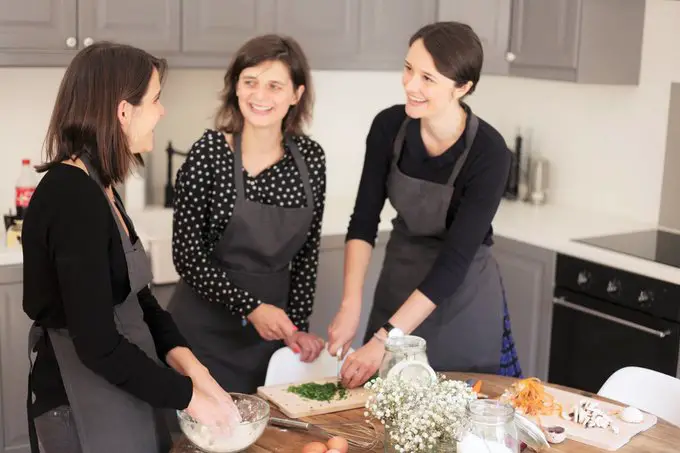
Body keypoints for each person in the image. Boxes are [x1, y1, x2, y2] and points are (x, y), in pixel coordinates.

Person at [22, 42, 241, 453]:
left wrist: (197, 375)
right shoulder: (72, 198)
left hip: (123, 387)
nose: (161, 111)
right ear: (123, 111)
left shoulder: (100, 185)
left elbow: (142, 302)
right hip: (80, 402)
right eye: (155, 100)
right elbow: (98, 344)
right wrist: (191, 399)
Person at [327, 22, 523, 389]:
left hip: (463, 296)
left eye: (428, 78)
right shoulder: (388, 127)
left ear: (462, 87)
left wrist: (384, 339)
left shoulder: (490, 153)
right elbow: (364, 220)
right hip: (399, 281)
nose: (410, 85)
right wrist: (350, 304)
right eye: (408, 69)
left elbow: (454, 263)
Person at [167, 34, 327, 394]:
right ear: (235, 87)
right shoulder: (209, 153)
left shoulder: (311, 159)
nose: (260, 96)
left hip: (268, 339)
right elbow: (187, 256)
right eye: (250, 82)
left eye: (274, 86)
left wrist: (297, 327)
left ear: (296, 95)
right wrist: (251, 307)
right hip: (201, 335)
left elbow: (306, 253)